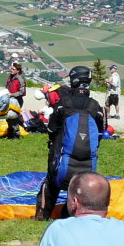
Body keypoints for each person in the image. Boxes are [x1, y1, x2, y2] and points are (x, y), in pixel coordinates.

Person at [34, 66, 104, 221]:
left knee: (51, 182)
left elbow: (52, 128)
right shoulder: (95, 106)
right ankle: (72, 214)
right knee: (80, 186)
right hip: (87, 158)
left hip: (62, 152)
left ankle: (43, 214)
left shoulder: (64, 103)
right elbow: (100, 132)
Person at [4, 63, 28, 138]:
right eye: (11, 68)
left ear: (18, 71)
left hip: (17, 100)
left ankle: (16, 135)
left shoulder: (20, 79)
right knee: (8, 117)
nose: (11, 70)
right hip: (9, 99)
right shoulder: (10, 78)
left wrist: (12, 94)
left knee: (14, 117)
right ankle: (10, 134)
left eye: (13, 69)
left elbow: (22, 92)